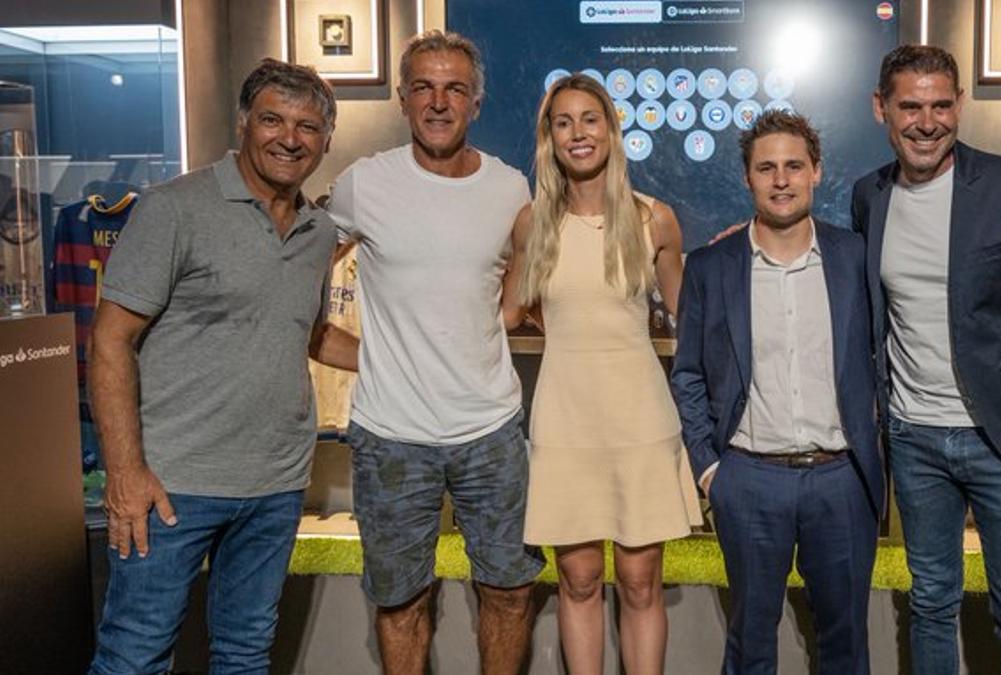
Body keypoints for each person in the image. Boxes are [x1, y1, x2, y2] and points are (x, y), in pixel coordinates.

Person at [87, 58, 340, 674]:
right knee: (134, 656)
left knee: (245, 655)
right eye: (273, 119)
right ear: (244, 123)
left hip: (276, 487)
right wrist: (125, 471)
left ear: (325, 141)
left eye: (307, 127)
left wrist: (416, 355)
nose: (289, 137)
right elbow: (110, 342)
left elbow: (303, 334)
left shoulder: (319, 229)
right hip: (172, 485)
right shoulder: (175, 208)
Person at [310, 30, 545, 675]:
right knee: (399, 600)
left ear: (476, 102)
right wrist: (372, 357)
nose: (438, 102)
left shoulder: (509, 188)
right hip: (391, 438)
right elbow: (298, 278)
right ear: (402, 98)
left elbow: (516, 295)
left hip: (491, 431)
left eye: (454, 89)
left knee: (509, 589)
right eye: (424, 87)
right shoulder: (365, 183)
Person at [851, 45, 1001, 674]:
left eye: (940, 105)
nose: (926, 122)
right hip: (913, 437)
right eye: (910, 106)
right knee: (929, 602)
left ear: (959, 106)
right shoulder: (868, 196)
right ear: (881, 109)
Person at [671, 110, 885, 675]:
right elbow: (688, 372)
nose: (781, 179)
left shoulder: (856, 259)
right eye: (766, 168)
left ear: (817, 171)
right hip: (748, 481)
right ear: (747, 178)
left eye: (794, 166)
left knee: (845, 643)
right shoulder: (712, 268)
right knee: (749, 642)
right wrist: (710, 469)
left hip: (841, 480)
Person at [502, 73, 702, 675]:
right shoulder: (530, 223)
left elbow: (691, 324)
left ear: (611, 130)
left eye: (589, 119)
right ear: (549, 138)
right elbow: (506, 314)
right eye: (563, 122)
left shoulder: (655, 220)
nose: (577, 133)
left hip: (640, 416)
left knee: (641, 582)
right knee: (578, 577)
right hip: (565, 419)